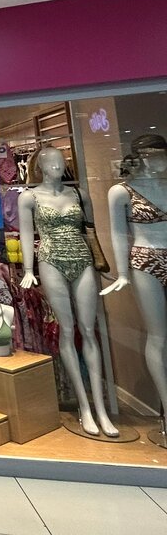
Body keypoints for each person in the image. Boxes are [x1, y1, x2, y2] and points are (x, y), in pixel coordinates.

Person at [19, 146, 119, 438]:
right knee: (67, 329)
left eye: (61, 162)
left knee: (88, 330)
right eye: (51, 162)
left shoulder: (79, 194)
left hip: (82, 258)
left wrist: (104, 264)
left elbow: (90, 231)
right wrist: (28, 269)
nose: (57, 166)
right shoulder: (29, 197)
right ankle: (84, 406)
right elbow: (27, 234)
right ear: (39, 167)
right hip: (50, 259)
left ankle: (100, 408)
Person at [104, 133, 167, 416]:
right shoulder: (121, 192)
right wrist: (122, 273)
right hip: (145, 261)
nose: (160, 160)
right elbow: (118, 234)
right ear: (140, 158)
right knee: (158, 336)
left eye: (162, 154)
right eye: (153, 155)